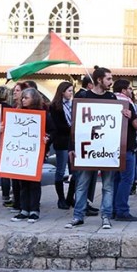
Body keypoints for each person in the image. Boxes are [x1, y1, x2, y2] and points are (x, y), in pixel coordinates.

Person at [66, 66, 116, 228]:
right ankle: (78, 215)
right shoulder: (83, 97)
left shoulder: (112, 97)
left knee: (108, 186)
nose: (111, 82)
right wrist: (71, 148)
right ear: (99, 80)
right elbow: (75, 126)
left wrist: (126, 115)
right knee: (82, 184)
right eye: (108, 79)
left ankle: (106, 217)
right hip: (86, 150)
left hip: (107, 150)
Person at [12, 87, 53, 223]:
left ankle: (34, 210)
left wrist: (48, 138)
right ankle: (24, 210)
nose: (23, 100)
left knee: (34, 182)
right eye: (22, 98)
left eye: (26, 98)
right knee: (22, 181)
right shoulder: (18, 113)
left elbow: (53, 131)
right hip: (21, 151)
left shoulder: (43, 114)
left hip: (36, 152)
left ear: (34, 99)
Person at [109, 78, 137, 223]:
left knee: (116, 179)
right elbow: (136, 123)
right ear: (123, 90)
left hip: (114, 147)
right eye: (129, 89)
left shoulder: (110, 100)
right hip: (127, 146)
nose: (131, 91)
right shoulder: (127, 103)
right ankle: (122, 210)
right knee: (127, 179)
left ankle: (114, 209)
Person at [48, 81, 74, 210]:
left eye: (72, 91)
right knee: (60, 170)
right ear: (62, 91)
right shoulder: (55, 106)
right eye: (69, 91)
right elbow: (57, 125)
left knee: (74, 171)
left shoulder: (73, 104)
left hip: (72, 141)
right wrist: (71, 127)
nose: (71, 93)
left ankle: (70, 197)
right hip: (62, 141)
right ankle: (61, 198)